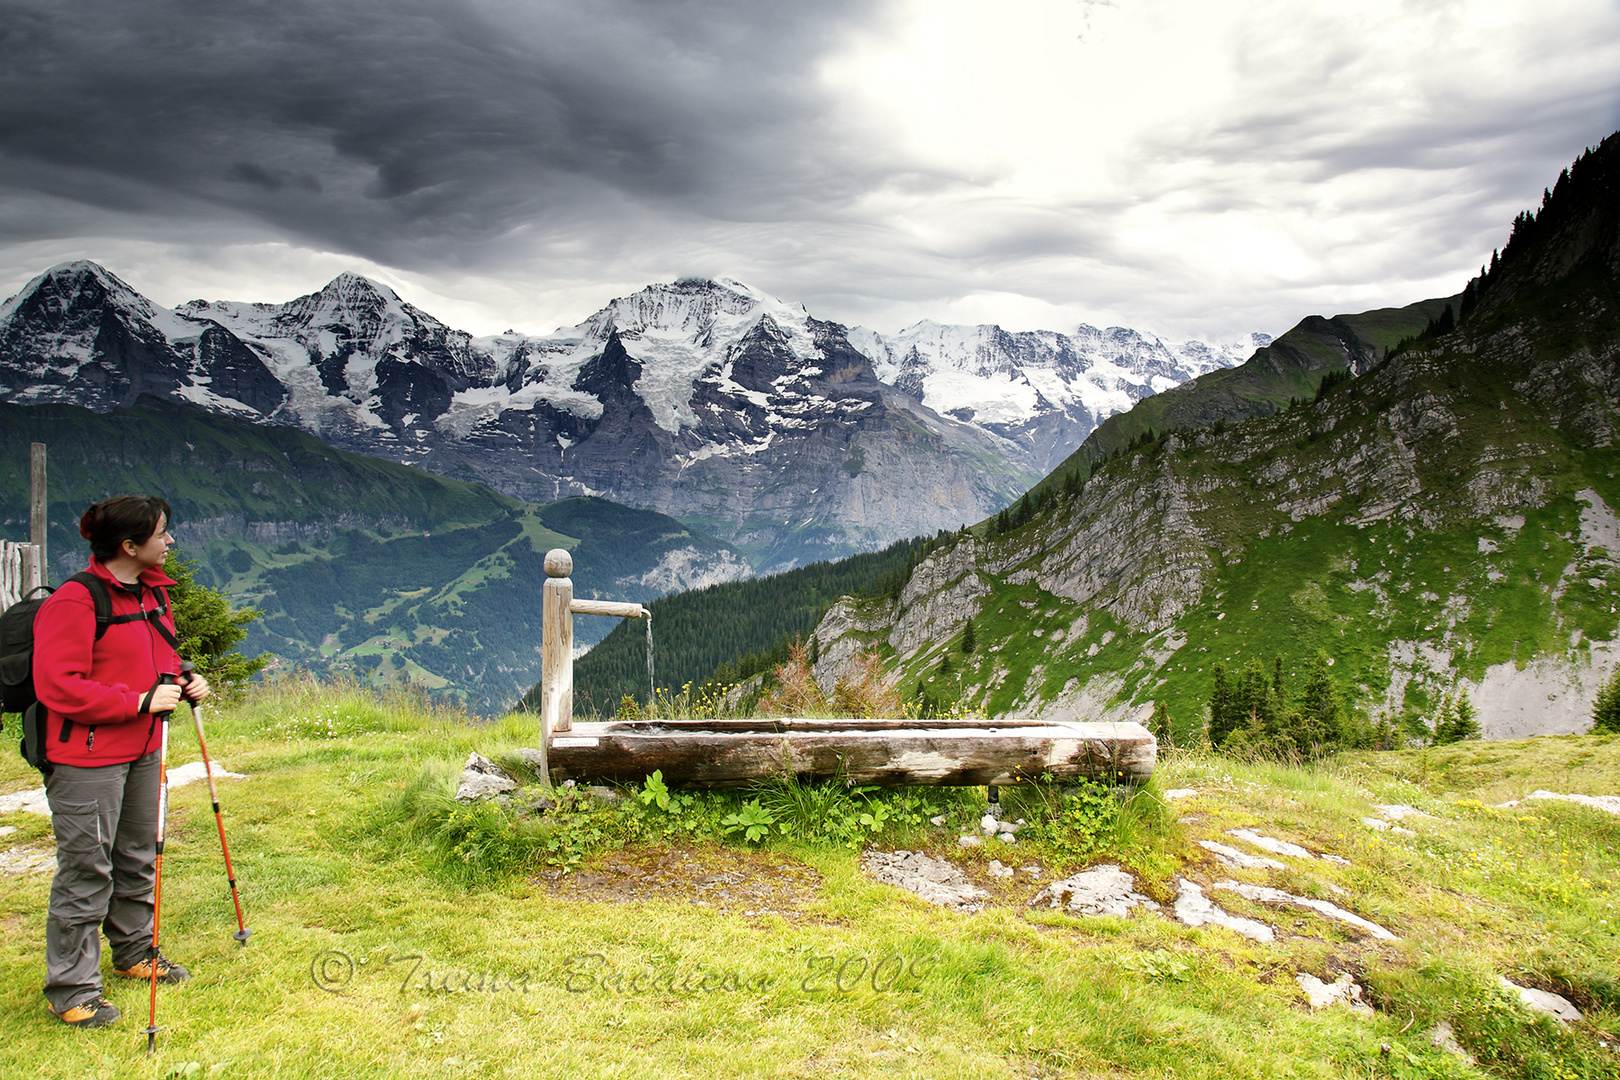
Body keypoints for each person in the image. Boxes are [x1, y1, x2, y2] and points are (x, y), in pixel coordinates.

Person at [32, 495, 210, 1027]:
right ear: (130, 545)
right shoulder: (75, 601)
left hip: (143, 747)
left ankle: (134, 952)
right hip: (87, 757)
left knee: (137, 852)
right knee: (87, 865)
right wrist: (136, 702)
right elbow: (57, 685)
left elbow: (157, 658)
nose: (170, 541)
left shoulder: (152, 594)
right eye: (162, 533)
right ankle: (71, 989)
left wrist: (183, 678)